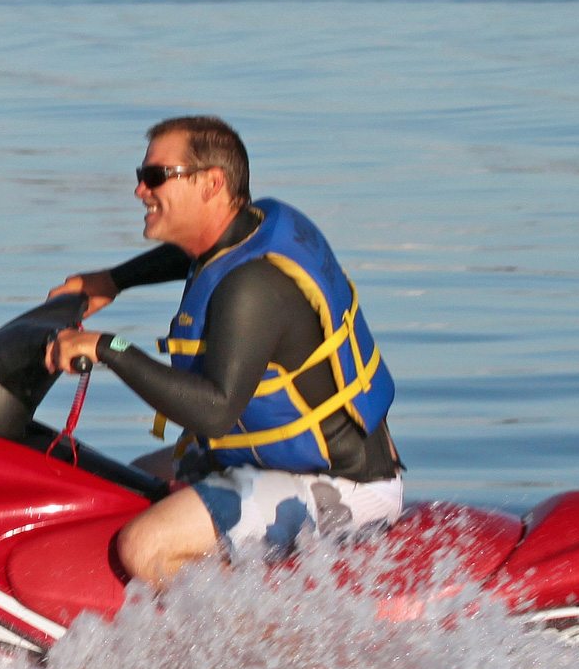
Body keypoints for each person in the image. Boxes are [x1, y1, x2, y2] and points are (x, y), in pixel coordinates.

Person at [45, 115, 400, 589]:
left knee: (145, 546)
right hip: (282, 461)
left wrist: (109, 347)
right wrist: (113, 281)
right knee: (124, 483)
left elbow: (214, 411)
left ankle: (264, 653)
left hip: (345, 486)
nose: (139, 191)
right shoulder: (251, 225)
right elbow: (190, 254)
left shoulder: (252, 289)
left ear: (212, 183)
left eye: (155, 177)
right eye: (139, 177)